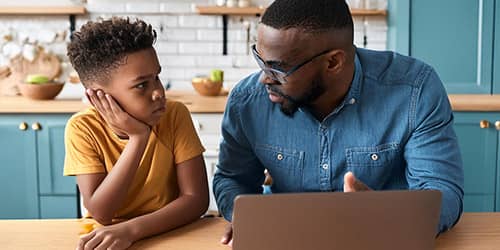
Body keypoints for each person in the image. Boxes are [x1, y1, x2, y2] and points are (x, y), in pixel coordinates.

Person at [213, 0, 464, 245]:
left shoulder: (414, 89)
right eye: (260, 60)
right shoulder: (247, 101)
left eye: (278, 69)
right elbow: (232, 178)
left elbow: (442, 191)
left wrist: (384, 215)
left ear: (333, 62)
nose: (264, 80)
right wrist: (246, 219)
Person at [64, 17, 209, 250]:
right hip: (107, 238)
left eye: (157, 77)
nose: (158, 93)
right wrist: (138, 138)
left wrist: (132, 230)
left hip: (168, 231)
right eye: (142, 85)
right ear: (100, 97)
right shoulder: (82, 128)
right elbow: (102, 212)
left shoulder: (174, 115)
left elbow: (196, 200)